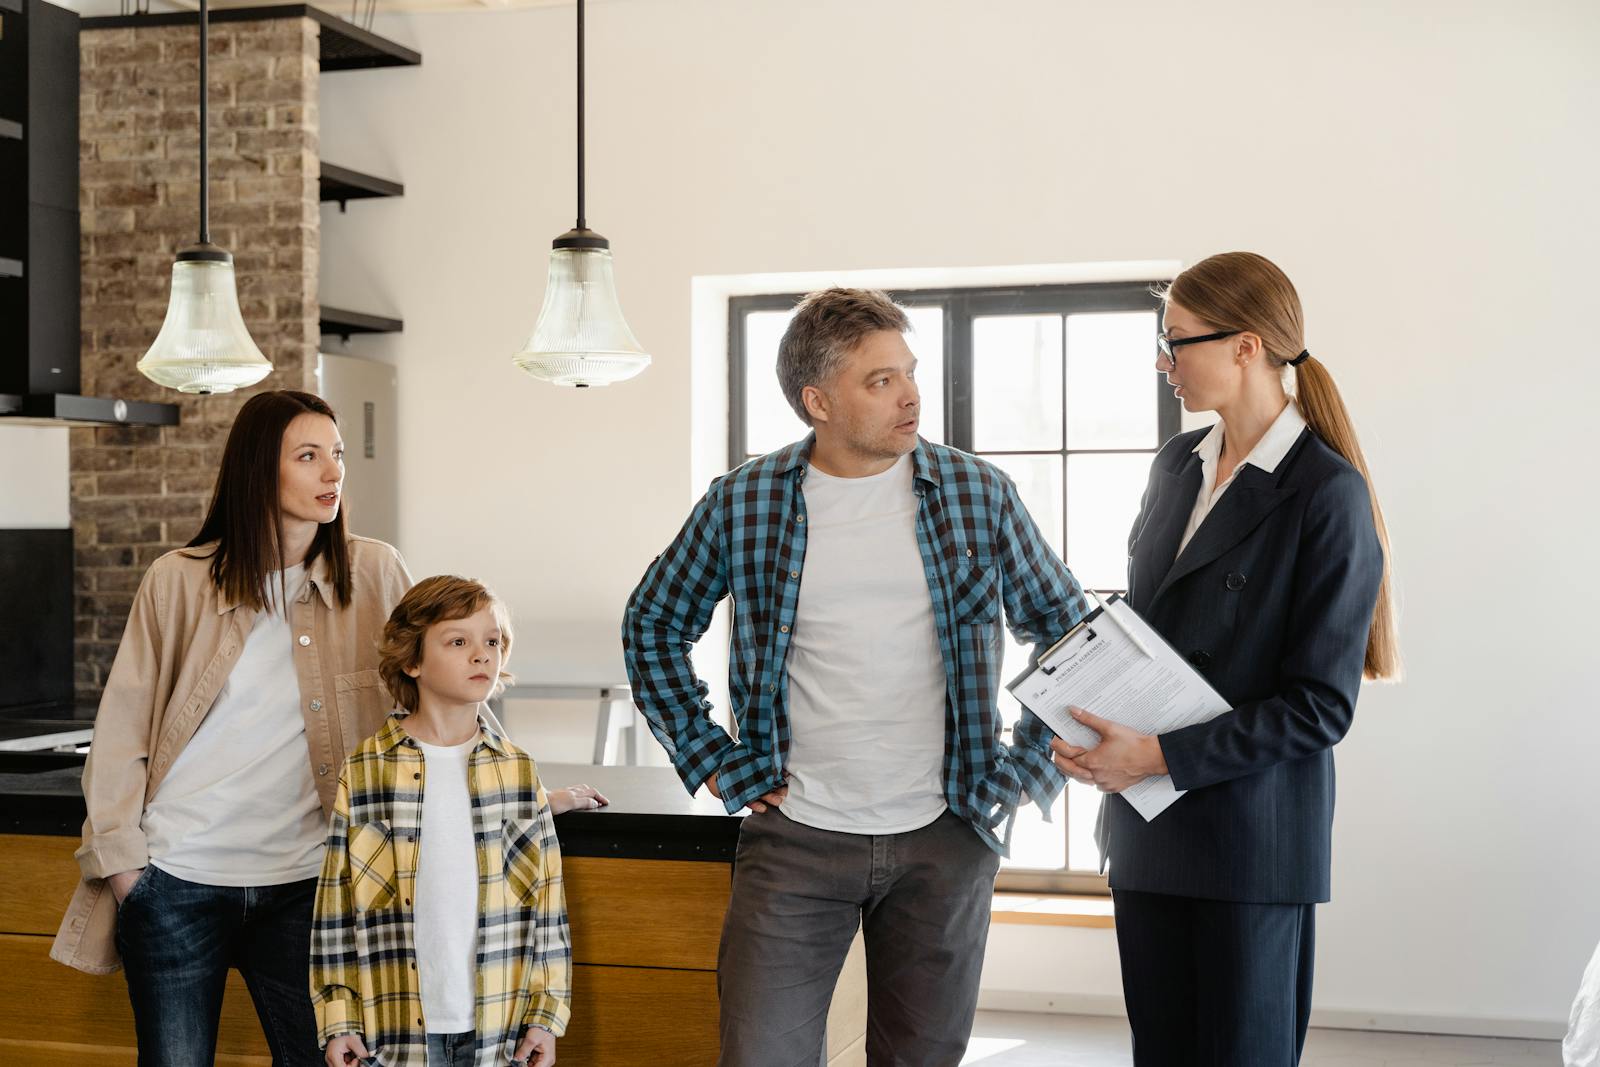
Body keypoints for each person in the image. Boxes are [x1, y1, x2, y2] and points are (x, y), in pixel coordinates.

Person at [623, 287, 1088, 1066]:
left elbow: (1069, 630)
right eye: (880, 380)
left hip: (948, 833)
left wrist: (1025, 766)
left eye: (908, 371)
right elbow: (654, 622)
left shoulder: (980, 494)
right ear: (818, 401)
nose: (910, 394)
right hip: (796, 837)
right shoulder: (746, 501)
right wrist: (712, 758)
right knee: (759, 1053)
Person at [1052, 252, 1400, 1066]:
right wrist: (1075, 709)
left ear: (1246, 346)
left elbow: (1320, 706)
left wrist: (1162, 753)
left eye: (1176, 341)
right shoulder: (1177, 464)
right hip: (1147, 829)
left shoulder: (1326, 491)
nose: (1162, 361)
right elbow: (1146, 627)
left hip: (1250, 842)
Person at [51, 390, 413, 1066]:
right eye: (308, 456)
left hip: (310, 886)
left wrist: (521, 786)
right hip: (179, 880)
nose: (332, 472)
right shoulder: (178, 582)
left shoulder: (376, 574)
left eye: (336, 454)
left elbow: (436, 695)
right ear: (258, 470)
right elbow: (121, 733)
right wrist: (130, 871)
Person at [312, 575, 574, 1067]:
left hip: (498, 1031)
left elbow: (547, 907)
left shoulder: (517, 770)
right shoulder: (366, 769)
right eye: (459, 641)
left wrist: (545, 1015)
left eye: (492, 641)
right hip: (392, 1033)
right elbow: (336, 907)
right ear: (412, 661)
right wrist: (338, 1018)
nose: (482, 655)